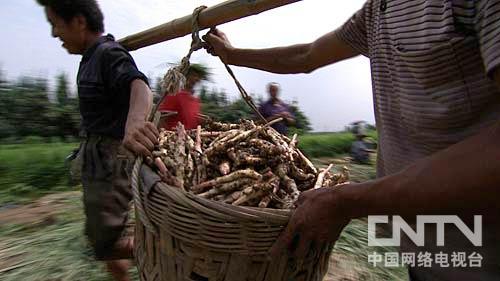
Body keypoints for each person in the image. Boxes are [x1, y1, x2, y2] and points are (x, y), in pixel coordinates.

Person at [204, 1, 500, 280]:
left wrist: (350, 200)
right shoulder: (376, 11)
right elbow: (306, 55)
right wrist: (233, 55)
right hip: (426, 249)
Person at [36, 1, 159, 281]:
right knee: (105, 238)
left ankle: (167, 246)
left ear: (79, 21)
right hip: (97, 163)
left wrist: (135, 123)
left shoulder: (108, 52)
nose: (55, 34)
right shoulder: (91, 57)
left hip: (110, 162)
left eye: (56, 24)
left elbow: (138, 86)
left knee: (105, 246)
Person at [159, 64, 209, 130]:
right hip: (174, 137)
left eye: (197, 77)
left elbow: (193, 121)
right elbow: (162, 118)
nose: (195, 79)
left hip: (190, 137)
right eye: (193, 75)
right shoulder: (174, 95)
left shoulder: (195, 100)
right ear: (185, 77)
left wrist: (202, 122)